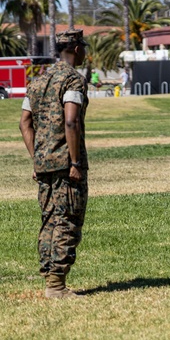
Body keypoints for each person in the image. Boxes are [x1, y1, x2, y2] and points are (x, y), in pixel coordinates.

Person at [18, 29, 90, 299]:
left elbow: (24, 122)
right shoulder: (73, 80)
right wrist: (75, 161)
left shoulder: (37, 81)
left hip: (44, 166)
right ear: (74, 48)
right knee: (67, 220)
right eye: (82, 46)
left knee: (49, 219)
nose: (85, 51)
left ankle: (51, 279)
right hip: (64, 165)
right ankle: (57, 286)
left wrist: (37, 158)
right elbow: (70, 121)